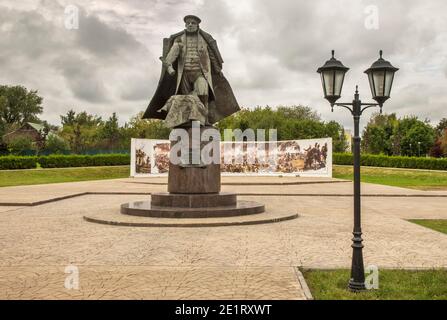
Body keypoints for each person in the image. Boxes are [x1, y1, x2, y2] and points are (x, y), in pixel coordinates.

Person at [143, 15, 240, 125]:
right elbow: (173, 54)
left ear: (197, 25)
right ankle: (187, 120)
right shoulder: (179, 39)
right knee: (187, 99)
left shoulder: (205, 39)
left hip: (200, 73)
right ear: (185, 25)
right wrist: (168, 62)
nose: (190, 24)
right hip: (184, 74)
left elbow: (212, 55)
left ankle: (205, 119)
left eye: (193, 23)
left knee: (203, 94)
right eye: (188, 23)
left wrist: (217, 69)